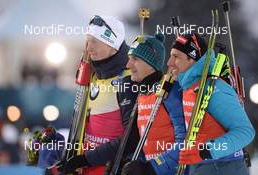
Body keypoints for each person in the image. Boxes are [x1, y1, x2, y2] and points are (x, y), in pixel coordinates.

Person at [44, 15, 138, 175]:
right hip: (87, 167)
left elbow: (130, 140)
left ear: (112, 44)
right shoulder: (93, 75)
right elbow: (82, 124)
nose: (88, 48)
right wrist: (72, 155)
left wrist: (86, 159)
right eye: (87, 41)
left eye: (94, 41)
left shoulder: (128, 79)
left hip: (111, 167)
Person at [167, 32, 255, 175]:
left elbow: (245, 132)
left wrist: (206, 150)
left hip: (224, 167)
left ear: (192, 59)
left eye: (176, 57)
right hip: (203, 167)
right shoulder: (189, 87)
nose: (169, 62)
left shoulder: (215, 88)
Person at [120, 33, 188, 175]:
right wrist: (131, 163)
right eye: (129, 59)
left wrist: (154, 167)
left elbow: (186, 141)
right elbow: (146, 143)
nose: (128, 65)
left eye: (135, 59)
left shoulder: (170, 90)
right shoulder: (143, 93)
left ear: (151, 64)